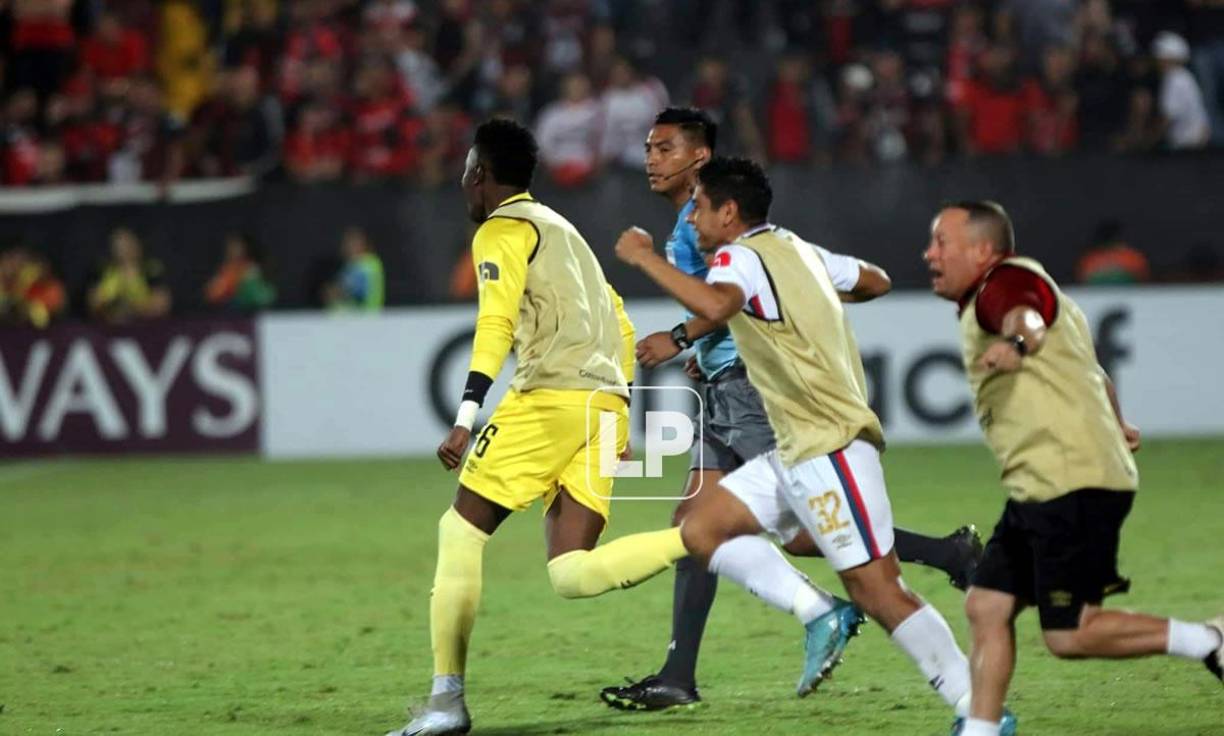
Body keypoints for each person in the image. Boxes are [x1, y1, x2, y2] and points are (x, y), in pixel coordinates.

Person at [600, 108, 983, 712]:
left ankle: (953, 623)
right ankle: (682, 672)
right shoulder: (783, 244)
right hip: (733, 388)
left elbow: (723, 299)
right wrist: (721, 337)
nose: (651, 158)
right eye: (648, 147)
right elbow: (869, 281)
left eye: (665, 148)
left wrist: (679, 327)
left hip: (773, 401)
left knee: (832, 555)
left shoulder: (721, 245)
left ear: (707, 174)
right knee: (697, 526)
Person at [384, 119, 691, 736]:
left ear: (481, 175)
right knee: (571, 571)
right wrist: (618, 403)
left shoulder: (501, 229)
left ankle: (447, 702)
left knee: (461, 530)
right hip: (603, 405)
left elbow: (495, 325)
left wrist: (465, 417)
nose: (464, 183)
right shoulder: (565, 231)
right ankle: (711, 537)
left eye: (468, 171)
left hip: (551, 396)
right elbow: (621, 320)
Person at [922, 201, 1224, 736]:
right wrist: (1117, 420)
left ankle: (1210, 642)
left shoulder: (1004, 283)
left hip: (1069, 483)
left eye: (942, 243)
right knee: (987, 606)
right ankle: (982, 731)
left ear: (984, 250)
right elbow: (1093, 370)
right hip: (1043, 484)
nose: (930, 254)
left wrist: (1016, 343)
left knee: (1070, 635)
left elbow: (1026, 320)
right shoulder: (1013, 291)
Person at [88, 227, 172, 324]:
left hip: (146, 328)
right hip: (110, 330)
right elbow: (93, 303)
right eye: (119, 245)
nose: (123, 250)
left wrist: (132, 308)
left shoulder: (150, 270)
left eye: (127, 244)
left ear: (137, 244)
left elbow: (161, 305)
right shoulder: (105, 271)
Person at [204, 232, 276, 312]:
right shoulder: (227, 270)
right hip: (229, 314)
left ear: (245, 249)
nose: (234, 251)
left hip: (253, 314)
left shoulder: (252, 269)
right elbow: (212, 294)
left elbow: (265, 297)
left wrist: (248, 283)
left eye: (237, 247)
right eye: (231, 247)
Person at [323, 227, 385, 311]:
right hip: (354, 318)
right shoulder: (352, 265)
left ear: (363, 244)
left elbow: (348, 290)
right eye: (346, 243)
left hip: (360, 319)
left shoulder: (365, 264)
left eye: (352, 243)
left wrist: (333, 292)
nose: (347, 246)